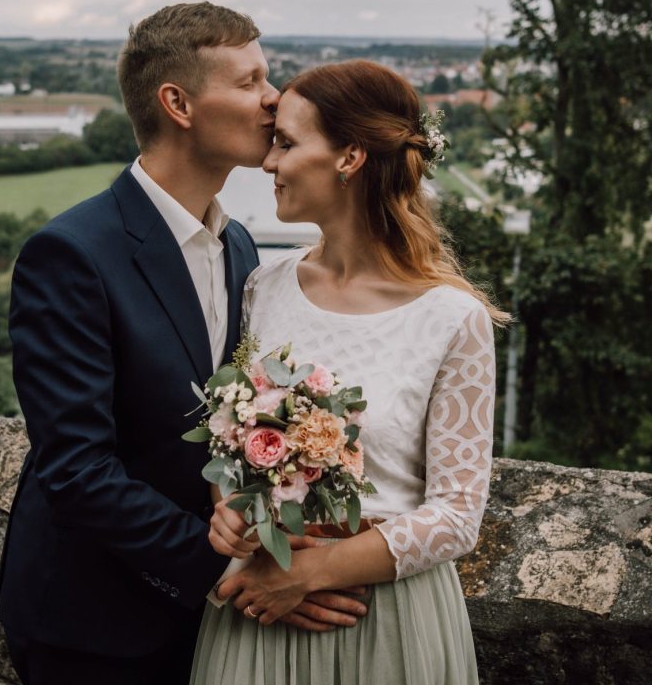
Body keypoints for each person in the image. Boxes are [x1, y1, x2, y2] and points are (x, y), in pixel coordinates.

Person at [0, 3, 365, 685]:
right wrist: (234, 572)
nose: (274, 99)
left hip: (202, 623)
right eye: (251, 80)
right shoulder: (71, 254)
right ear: (178, 103)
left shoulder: (239, 244)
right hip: (93, 626)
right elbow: (77, 471)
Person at [192, 59, 507, 685]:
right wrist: (229, 510)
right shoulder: (263, 287)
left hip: (381, 616)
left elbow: (456, 514)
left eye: (286, 142)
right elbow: (232, 444)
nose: (268, 163)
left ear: (349, 158)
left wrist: (309, 574)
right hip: (259, 608)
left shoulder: (453, 318)